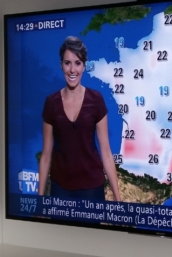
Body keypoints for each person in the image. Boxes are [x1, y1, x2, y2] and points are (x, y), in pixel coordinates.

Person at [38, 36, 121, 201]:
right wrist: (40, 200)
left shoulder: (96, 100)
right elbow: (46, 155)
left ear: (84, 66)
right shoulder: (51, 103)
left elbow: (106, 152)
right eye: (67, 63)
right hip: (60, 188)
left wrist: (118, 200)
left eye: (77, 63)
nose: (72, 70)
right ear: (61, 65)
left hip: (92, 188)